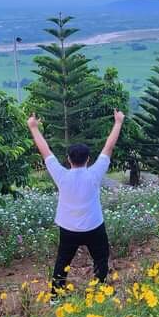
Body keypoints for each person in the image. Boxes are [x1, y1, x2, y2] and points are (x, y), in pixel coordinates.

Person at [27, 109, 125, 297]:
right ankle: (100, 290)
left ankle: (56, 296)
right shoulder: (95, 174)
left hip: (68, 229)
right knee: (101, 259)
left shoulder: (61, 175)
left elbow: (45, 150)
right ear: (88, 159)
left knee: (62, 262)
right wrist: (118, 122)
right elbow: (108, 147)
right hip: (94, 227)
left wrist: (33, 127)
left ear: (68, 160)